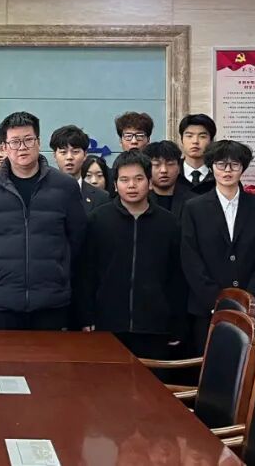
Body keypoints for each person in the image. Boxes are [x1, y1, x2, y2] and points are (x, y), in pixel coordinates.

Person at [0, 111, 87, 330]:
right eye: (14, 142)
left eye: (28, 140)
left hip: (52, 302)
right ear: (5, 147)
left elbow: (77, 240)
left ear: (38, 142)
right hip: (1, 302)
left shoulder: (65, 187)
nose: (22, 147)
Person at [77, 151, 186, 359]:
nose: (132, 185)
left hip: (155, 326)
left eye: (138, 179)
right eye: (124, 180)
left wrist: (177, 322)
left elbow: (177, 278)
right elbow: (86, 273)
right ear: (115, 184)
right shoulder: (98, 220)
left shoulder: (169, 223)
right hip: (107, 324)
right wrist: (86, 316)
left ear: (150, 182)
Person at [179, 139, 255, 348]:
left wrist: (249, 302)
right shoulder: (194, 208)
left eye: (234, 164)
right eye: (221, 164)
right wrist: (218, 301)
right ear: (211, 166)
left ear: (243, 168)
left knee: (252, 365)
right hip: (208, 310)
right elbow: (191, 259)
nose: (227, 170)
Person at [51, 125, 109, 213]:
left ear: (85, 155)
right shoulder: (41, 194)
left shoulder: (101, 197)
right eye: (63, 152)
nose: (69, 157)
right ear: (55, 156)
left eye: (75, 152)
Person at [144, 140, 194, 216]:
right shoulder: (139, 200)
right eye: (156, 164)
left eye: (170, 164)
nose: (164, 170)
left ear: (179, 167)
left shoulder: (193, 201)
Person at [176, 114, 216, 195]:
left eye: (202, 136)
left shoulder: (220, 174)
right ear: (181, 140)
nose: (195, 141)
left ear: (211, 141)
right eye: (189, 136)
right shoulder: (172, 173)